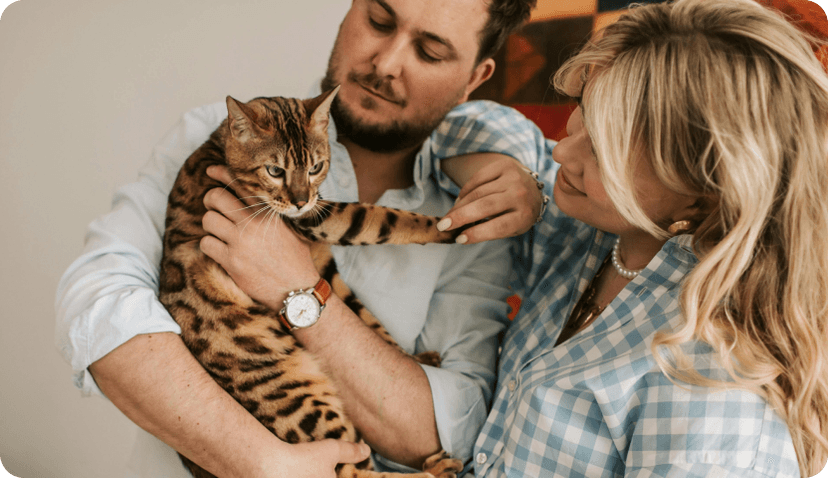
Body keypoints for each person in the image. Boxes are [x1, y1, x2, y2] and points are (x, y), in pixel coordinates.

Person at [54, 0, 541, 477]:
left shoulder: (476, 220)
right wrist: (262, 462)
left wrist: (297, 287)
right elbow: (97, 311)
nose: (386, 64)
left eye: (430, 52)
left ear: (475, 79)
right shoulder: (214, 139)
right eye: (378, 20)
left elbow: (448, 431)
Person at [428, 0, 828, 475]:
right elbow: (458, 125)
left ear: (706, 193)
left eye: (602, 150)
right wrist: (512, 173)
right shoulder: (592, 231)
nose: (562, 153)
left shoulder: (714, 391)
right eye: (582, 110)